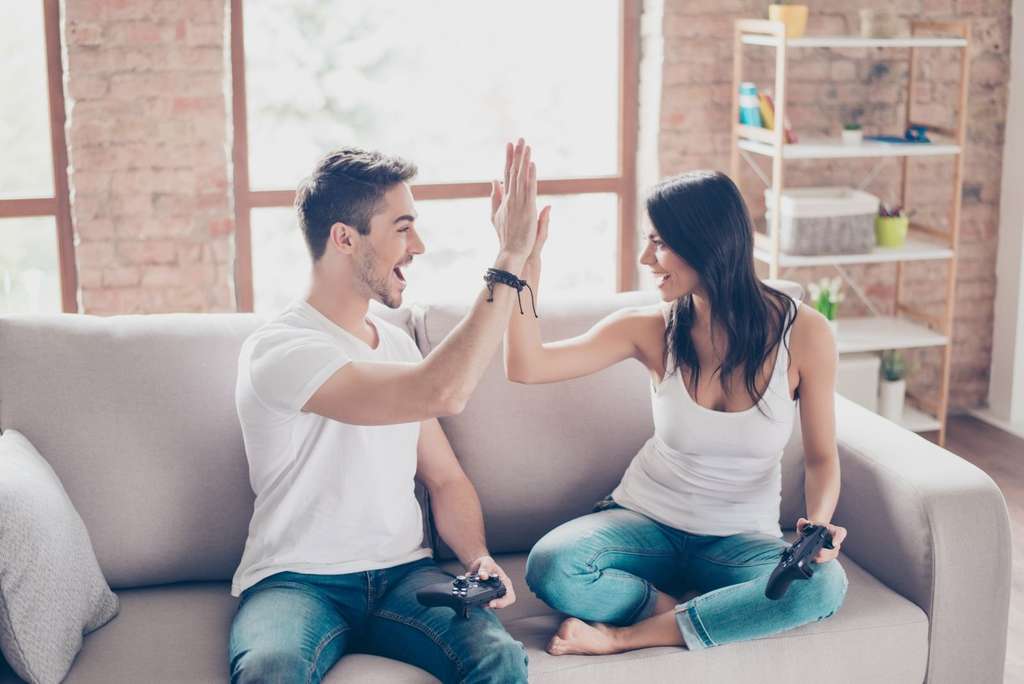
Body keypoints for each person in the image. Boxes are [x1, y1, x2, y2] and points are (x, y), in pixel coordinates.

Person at [228, 140, 542, 683]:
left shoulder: (397, 347)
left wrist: (477, 557)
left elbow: (444, 480)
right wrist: (508, 258)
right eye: (402, 227)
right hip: (296, 581)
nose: (418, 244)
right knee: (271, 670)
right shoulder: (281, 350)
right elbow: (442, 391)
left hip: (405, 576)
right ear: (345, 238)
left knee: (499, 657)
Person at [506, 169, 849, 655]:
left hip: (739, 540)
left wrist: (815, 528)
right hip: (645, 523)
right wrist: (523, 262)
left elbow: (821, 457)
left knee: (823, 585)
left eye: (660, 243)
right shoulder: (651, 327)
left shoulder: (806, 335)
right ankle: (688, 610)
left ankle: (625, 638)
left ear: (707, 244)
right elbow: (527, 365)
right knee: (552, 565)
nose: (647, 259)